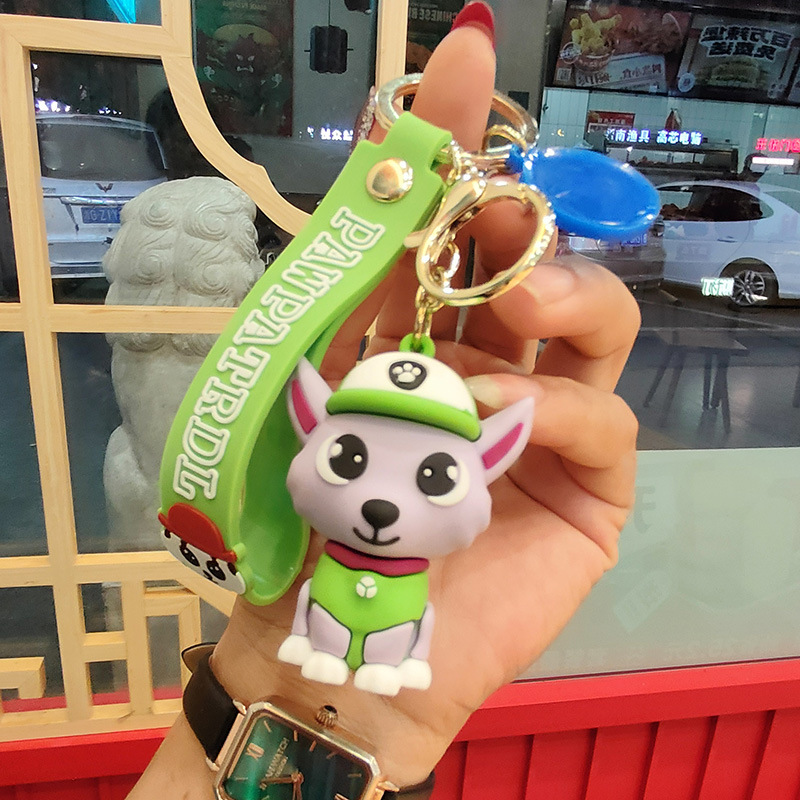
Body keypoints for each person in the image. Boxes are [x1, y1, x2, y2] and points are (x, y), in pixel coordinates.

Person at [127, 3, 640, 796]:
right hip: (306, 630)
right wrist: (281, 690)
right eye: (350, 459)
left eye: (433, 478)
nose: (379, 502)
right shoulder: (323, 503)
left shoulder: (461, 511)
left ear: (487, 460)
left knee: (389, 633)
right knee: (326, 624)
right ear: (312, 425)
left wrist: (368, 728)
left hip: (393, 637)